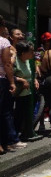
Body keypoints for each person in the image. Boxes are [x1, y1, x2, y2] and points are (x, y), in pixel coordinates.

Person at [0, 16, 26, 153]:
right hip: (2, 80)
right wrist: (12, 82)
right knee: (5, 111)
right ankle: (8, 142)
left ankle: (6, 142)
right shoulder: (4, 42)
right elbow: (7, 63)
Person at [13, 41, 42, 141]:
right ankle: (15, 137)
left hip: (28, 92)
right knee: (18, 115)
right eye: (31, 51)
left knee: (27, 113)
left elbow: (30, 74)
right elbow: (8, 75)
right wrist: (21, 80)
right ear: (23, 53)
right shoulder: (15, 60)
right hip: (18, 93)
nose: (33, 53)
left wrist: (34, 80)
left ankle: (24, 133)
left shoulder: (28, 61)